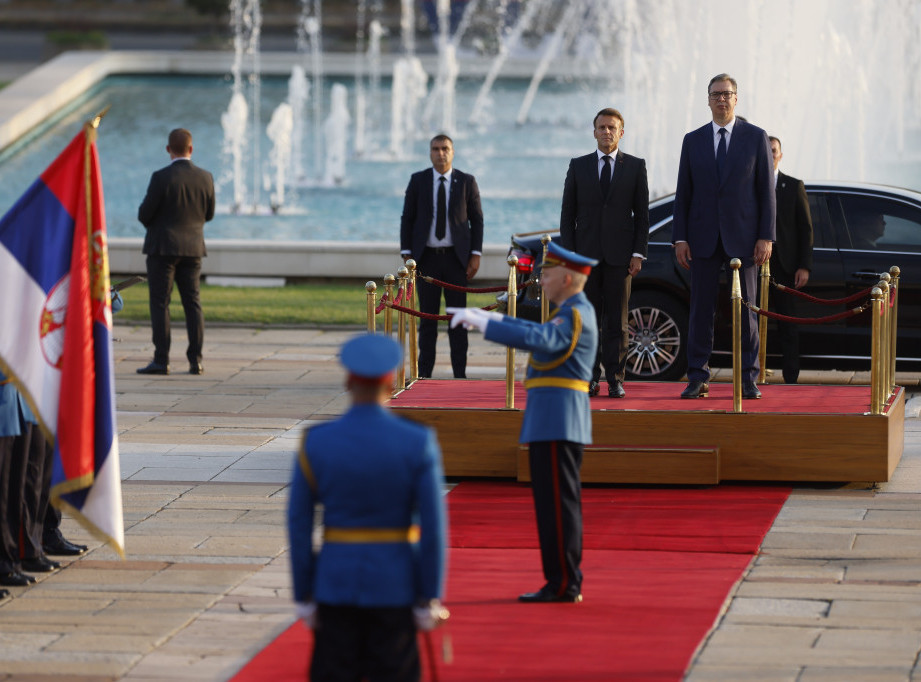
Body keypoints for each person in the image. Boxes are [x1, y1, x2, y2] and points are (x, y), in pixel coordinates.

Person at [287, 333, 448, 681]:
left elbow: (299, 525)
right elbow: (433, 529)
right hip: (396, 586)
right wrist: (428, 595)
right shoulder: (418, 441)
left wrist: (304, 592)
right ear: (391, 380)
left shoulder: (316, 441)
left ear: (347, 380)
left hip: (335, 584)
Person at [449, 241, 598, 603]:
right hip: (552, 419)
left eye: (546, 275)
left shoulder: (574, 314)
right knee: (552, 505)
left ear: (566, 278)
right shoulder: (570, 311)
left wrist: (488, 324)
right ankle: (560, 580)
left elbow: (540, 338)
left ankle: (564, 582)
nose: (541, 280)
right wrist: (494, 319)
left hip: (558, 420)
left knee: (558, 507)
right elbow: (538, 335)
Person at [673, 73, 776, 399]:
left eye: (727, 94)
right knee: (701, 311)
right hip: (702, 238)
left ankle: (748, 378)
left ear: (736, 99)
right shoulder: (693, 140)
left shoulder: (755, 137)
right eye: (716, 94)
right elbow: (683, 194)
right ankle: (697, 377)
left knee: (747, 312)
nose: (721, 99)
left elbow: (766, 192)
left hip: (745, 240)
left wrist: (766, 236)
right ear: (708, 99)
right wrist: (680, 238)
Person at [559, 107, 649, 398]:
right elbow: (567, 215)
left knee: (618, 323)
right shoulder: (578, 166)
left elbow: (642, 216)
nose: (607, 132)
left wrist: (638, 253)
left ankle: (616, 378)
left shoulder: (635, 167)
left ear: (621, 132)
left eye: (612, 127)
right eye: (602, 127)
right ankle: (589, 377)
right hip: (585, 258)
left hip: (620, 259)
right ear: (594, 131)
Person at [400, 134, 484, 379]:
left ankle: (460, 375)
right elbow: (407, 218)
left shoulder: (467, 181)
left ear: (453, 152)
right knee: (427, 321)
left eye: (445, 148)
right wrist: (407, 252)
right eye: (436, 149)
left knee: (458, 320)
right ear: (430, 153)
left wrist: (475, 254)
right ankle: (424, 374)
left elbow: (477, 221)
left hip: (456, 261)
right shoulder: (419, 180)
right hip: (426, 261)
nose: (440, 153)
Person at [137, 128, 215, 376]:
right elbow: (209, 214)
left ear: (168, 149)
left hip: (163, 248)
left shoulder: (161, 177)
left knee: (161, 303)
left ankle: (162, 360)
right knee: (193, 304)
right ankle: (196, 361)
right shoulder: (206, 177)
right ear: (191, 149)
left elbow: (144, 214)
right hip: (193, 249)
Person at [768, 136, 814, 384]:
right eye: (766, 151)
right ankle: (752, 373)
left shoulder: (794, 186)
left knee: (788, 325)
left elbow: (806, 229)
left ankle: (790, 377)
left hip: (786, 267)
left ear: (780, 155)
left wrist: (804, 265)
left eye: (774, 150)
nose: (770, 154)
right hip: (756, 265)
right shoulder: (749, 184)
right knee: (752, 323)